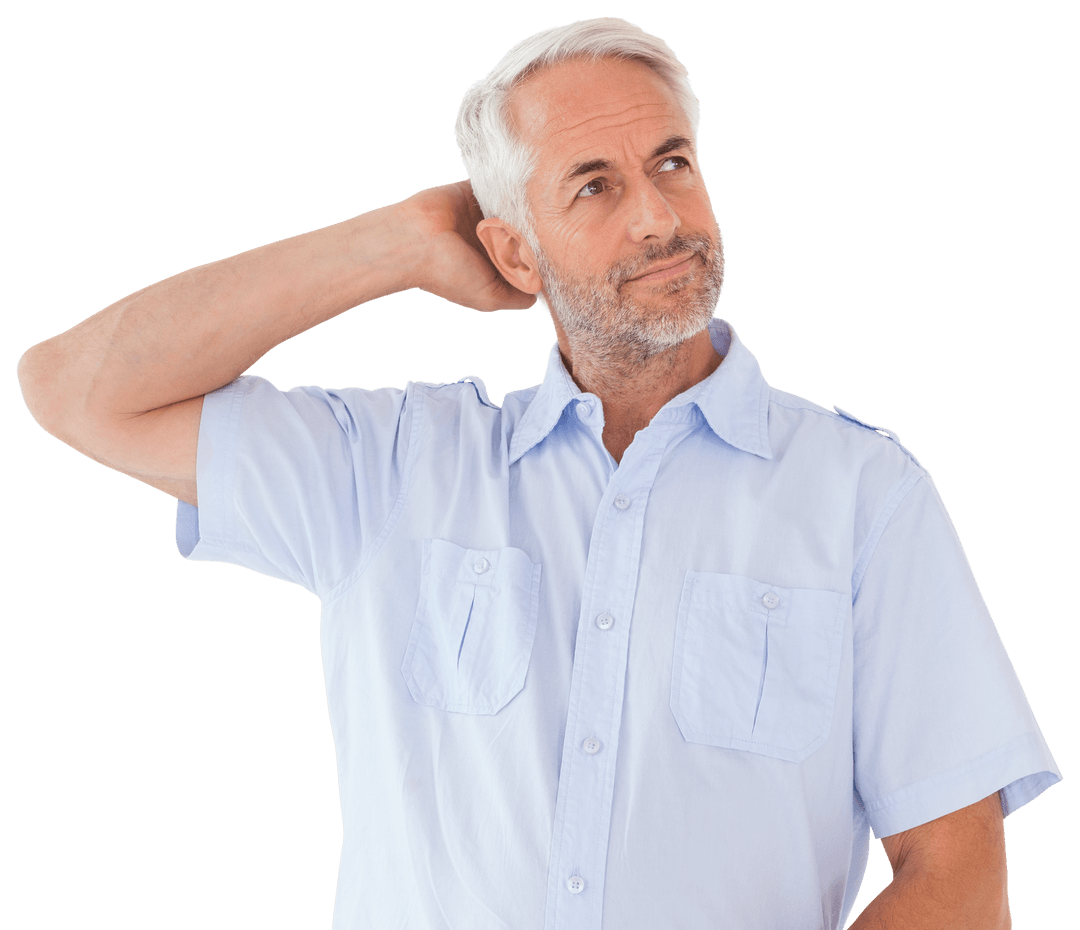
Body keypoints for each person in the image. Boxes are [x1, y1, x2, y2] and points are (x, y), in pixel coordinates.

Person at [15, 16, 1061, 930]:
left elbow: (961, 883)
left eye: (672, 162)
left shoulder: (863, 495)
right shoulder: (385, 468)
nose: (657, 217)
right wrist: (404, 241)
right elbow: (73, 390)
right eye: (593, 186)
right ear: (515, 256)